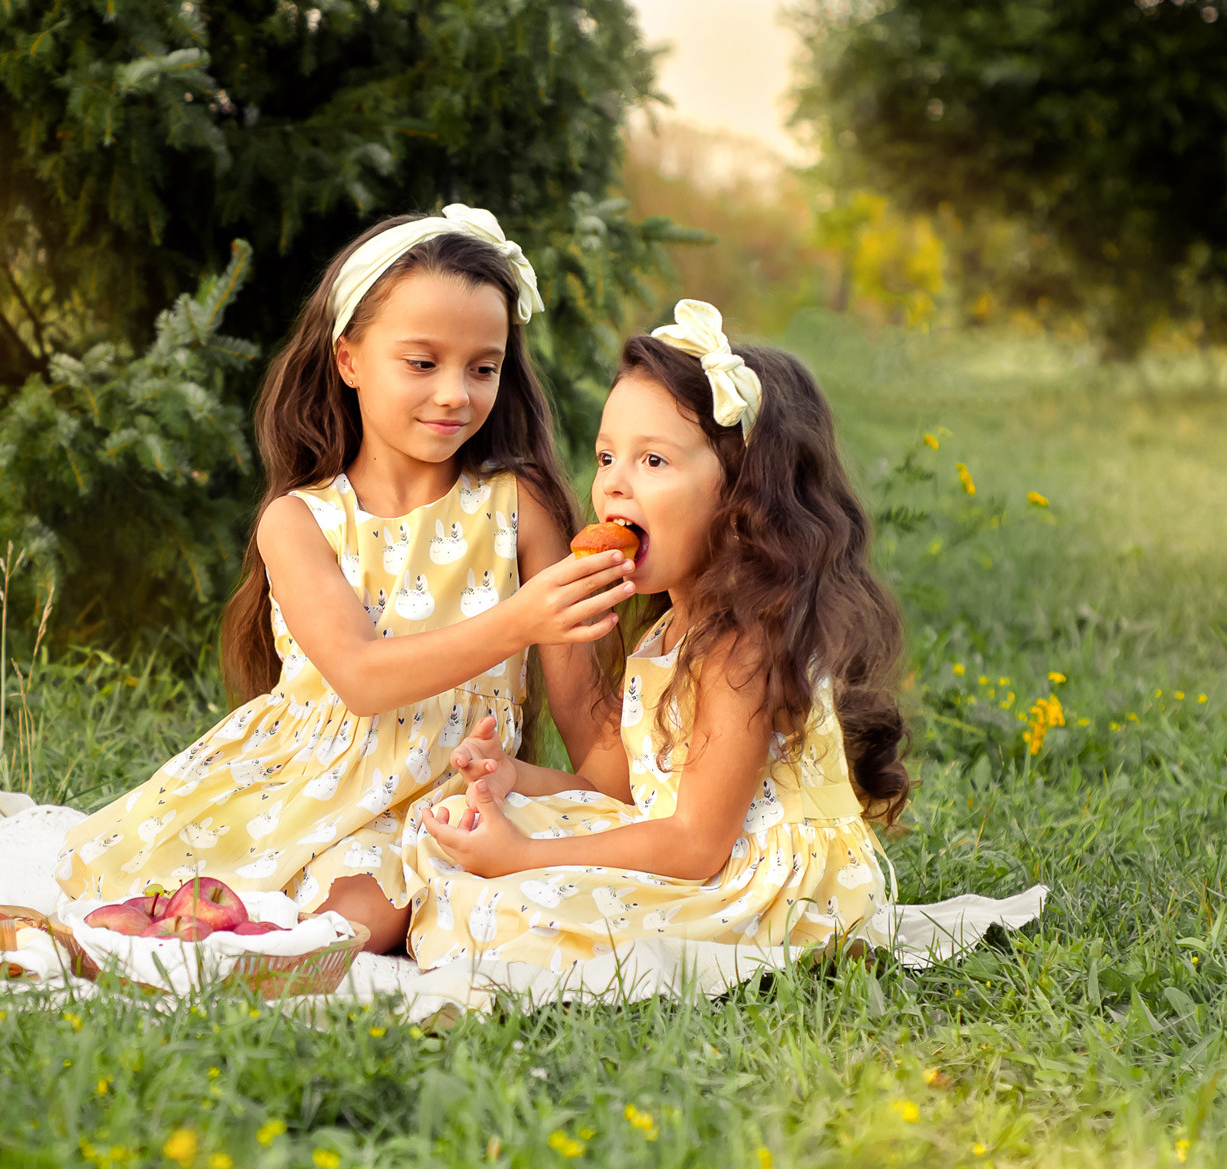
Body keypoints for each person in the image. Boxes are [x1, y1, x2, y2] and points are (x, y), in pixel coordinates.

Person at [55, 206, 634, 950]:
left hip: (453, 793)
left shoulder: (518, 507)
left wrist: (635, 783)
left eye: (482, 367)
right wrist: (521, 619)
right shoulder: (298, 522)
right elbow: (360, 676)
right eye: (422, 363)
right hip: (301, 790)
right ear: (349, 358)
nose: (456, 393)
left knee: (411, 913)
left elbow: (590, 733)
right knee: (278, 915)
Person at [404, 300, 911, 970]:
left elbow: (697, 844)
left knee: (517, 898)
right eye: (607, 455)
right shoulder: (670, 633)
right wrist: (514, 778)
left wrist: (526, 858)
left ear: (741, 494)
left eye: (652, 461)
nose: (613, 483)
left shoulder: (743, 644)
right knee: (453, 846)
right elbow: (609, 788)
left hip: (769, 893)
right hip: (695, 853)